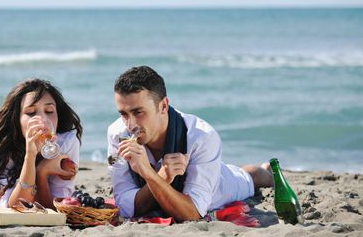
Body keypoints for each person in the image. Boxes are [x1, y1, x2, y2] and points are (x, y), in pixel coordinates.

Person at [107, 66, 273, 222]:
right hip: (194, 177)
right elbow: (125, 206)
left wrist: (149, 174)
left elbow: (192, 214)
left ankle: (266, 171)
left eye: (138, 112)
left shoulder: (202, 136)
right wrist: (161, 177)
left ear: (163, 106)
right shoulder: (117, 133)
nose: (130, 125)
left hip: (222, 186)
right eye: (124, 114)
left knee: (250, 176)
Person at [0, 71, 83, 212]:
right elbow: (18, 206)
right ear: (17, 119)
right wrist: (30, 156)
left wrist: (41, 173)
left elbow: (54, 207)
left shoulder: (66, 143)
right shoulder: (4, 150)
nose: (42, 119)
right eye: (31, 113)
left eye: (50, 111)